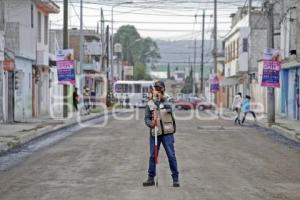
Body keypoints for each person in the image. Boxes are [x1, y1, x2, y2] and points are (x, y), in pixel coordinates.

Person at [143, 80, 180, 187]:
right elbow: (146, 118)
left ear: (163, 89)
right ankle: (151, 178)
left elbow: (170, 108)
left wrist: (163, 100)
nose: (157, 90)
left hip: (167, 133)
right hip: (155, 133)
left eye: (159, 88)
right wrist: (151, 123)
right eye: (156, 88)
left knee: (171, 155)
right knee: (152, 156)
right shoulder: (150, 103)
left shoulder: (168, 100)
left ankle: (175, 179)